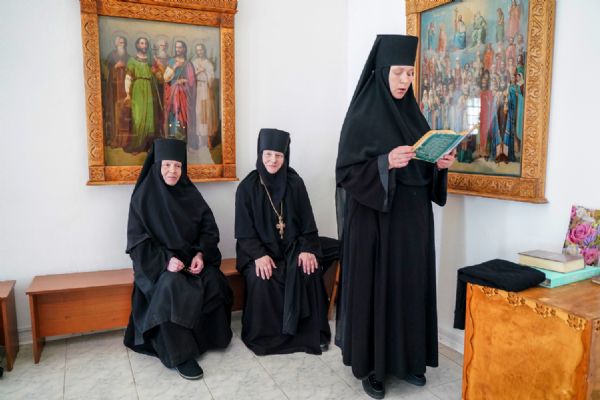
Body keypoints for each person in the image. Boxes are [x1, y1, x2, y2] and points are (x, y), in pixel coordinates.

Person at [335, 35, 455, 399]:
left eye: (410, 73)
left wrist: (440, 166)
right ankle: (373, 368)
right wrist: (384, 162)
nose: (405, 80)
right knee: (377, 291)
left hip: (412, 223)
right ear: (383, 70)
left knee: (409, 288)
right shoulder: (361, 117)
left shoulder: (415, 117)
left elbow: (422, 168)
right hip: (375, 223)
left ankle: (409, 361)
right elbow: (346, 173)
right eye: (399, 72)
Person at [124, 138, 232, 380]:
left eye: (177, 165)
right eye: (167, 165)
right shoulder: (142, 198)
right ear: (157, 165)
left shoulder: (189, 193)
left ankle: (206, 340)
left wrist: (201, 254)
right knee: (171, 286)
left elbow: (209, 229)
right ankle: (181, 355)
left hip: (191, 262)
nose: (172, 171)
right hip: (159, 267)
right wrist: (166, 261)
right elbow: (137, 243)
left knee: (214, 279)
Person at [234, 128, 333, 356]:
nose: (273, 160)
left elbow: (308, 223)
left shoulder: (295, 183)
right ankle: (268, 338)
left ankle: (311, 334)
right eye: (268, 154)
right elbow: (244, 233)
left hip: (292, 248)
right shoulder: (247, 188)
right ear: (260, 153)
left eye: (278, 155)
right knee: (262, 277)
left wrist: (306, 249)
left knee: (308, 269)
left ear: (285, 156)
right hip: (257, 251)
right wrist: (259, 255)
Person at [125, 37, 157, 153]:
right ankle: (137, 146)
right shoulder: (132, 60)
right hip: (138, 88)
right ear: (137, 45)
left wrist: (155, 69)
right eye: (142, 43)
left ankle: (148, 146)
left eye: (146, 43)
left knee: (149, 118)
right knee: (138, 117)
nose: (144, 45)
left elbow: (157, 75)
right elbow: (128, 77)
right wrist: (127, 93)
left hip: (149, 87)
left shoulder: (150, 60)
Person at [164, 40, 196, 143]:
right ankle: (173, 137)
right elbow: (166, 78)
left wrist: (184, 81)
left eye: (180, 47)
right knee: (173, 113)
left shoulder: (188, 64)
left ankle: (182, 139)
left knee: (183, 114)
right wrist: (174, 67)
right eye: (176, 47)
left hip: (184, 93)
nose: (178, 49)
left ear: (184, 49)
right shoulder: (171, 61)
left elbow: (192, 81)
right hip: (173, 93)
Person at [103, 35, 130, 149]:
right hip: (114, 88)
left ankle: (125, 140)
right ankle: (115, 137)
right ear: (116, 44)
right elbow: (107, 69)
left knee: (125, 112)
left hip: (125, 88)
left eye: (123, 42)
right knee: (114, 112)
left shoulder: (128, 57)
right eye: (119, 42)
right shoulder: (111, 55)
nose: (121, 44)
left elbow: (131, 70)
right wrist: (115, 66)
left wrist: (125, 66)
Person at [191, 43, 219, 150]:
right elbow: (190, 77)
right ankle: (199, 141)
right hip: (197, 90)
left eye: (201, 50)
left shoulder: (208, 63)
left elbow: (211, 79)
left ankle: (208, 141)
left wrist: (206, 73)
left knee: (206, 114)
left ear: (204, 50)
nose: (199, 52)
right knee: (198, 113)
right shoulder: (194, 63)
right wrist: (199, 71)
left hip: (206, 90)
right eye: (198, 50)